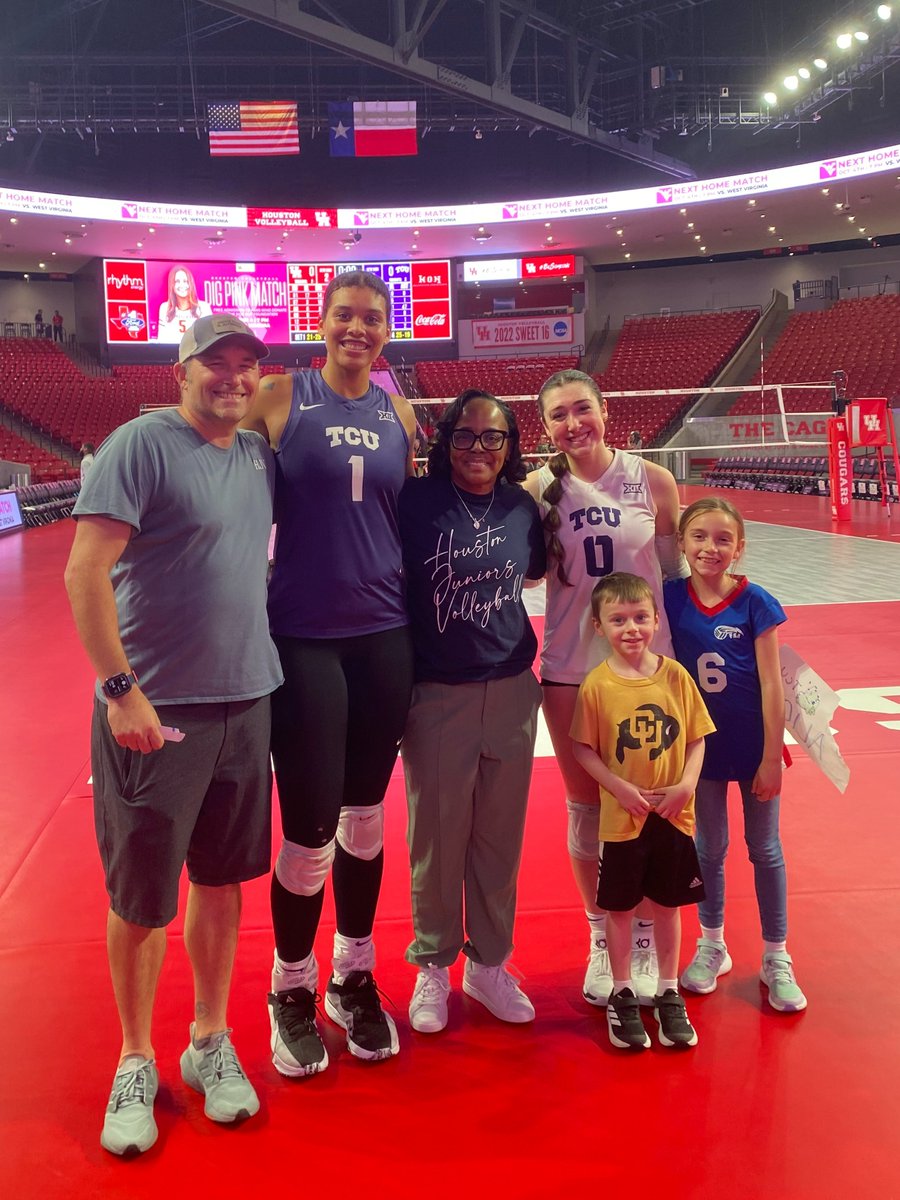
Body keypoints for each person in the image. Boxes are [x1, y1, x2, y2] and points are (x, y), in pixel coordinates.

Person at [64, 314, 283, 1156]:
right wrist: (120, 690)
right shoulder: (139, 445)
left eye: (246, 365)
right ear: (180, 372)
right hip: (156, 710)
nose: (232, 377)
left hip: (245, 699)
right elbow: (85, 570)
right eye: (214, 364)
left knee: (222, 884)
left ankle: (209, 1037)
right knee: (143, 896)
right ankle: (133, 1056)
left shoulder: (254, 453)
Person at [241, 269, 417, 1075]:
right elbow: (218, 473)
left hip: (384, 635)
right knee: (310, 831)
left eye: (371, 318)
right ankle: (291, 986)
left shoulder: (398, 410)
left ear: (387, 329)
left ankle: (353, 975)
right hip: (304, 637)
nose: (358, 328)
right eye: (344, 315)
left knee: (367, 818)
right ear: (322, 322)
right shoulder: (281, 397)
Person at [524, 369, 684, 1010]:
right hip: (571, 668)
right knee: (588, 809)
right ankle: (600, 934)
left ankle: (643, 935)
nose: (573, 423)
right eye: (558, 415)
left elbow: (675, 580)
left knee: (645, 805)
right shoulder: (540, 488)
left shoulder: (655, 481)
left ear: (605, 410)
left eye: (581, 409)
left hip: (649, 672)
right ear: (546, 427)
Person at [399, 389, 546, 1033]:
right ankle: (432, 965)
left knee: (498, 837)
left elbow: (535, 576)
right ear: (446, 440)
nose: (479, 449)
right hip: (437, 694)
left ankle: (488, 966)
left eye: (493, 437)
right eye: (465, 436)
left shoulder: (521, 508)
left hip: (513, 687)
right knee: (436, 835)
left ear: (510, 445)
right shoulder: (415, 502)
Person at [664, 497, 807, 1012]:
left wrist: (773, 755)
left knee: (764, 848)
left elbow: (772, 684)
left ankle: (776, 955)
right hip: (699, 748)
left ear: (739, 547)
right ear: (681, 543)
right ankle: (712, 942)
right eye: (699, 536)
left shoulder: (756, 602)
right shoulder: (668, 597)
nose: (710, 547)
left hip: (752, 746)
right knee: (709, 847)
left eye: (723, 538)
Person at [571, 573, 714, 1049]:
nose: (630, 628)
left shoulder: (675, 675)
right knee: (619, 907)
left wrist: (687, 785)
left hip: (674, 815)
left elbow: (696, 737)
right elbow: (584, 749)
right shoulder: (596, 686)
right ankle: (622, 990)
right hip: (623, 819)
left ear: (656, 620)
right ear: (599, 627)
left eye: (639, 617)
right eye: (618, 620)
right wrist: (617, 787)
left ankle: (669, 990)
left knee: (669, 905)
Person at [156, 266, 213, 344]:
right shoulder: (165, 308)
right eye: (177, 281)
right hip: (172, 354)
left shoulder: (204, 308)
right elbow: (162, 341)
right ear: (172, 285)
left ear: (191, 283)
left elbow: (209, 340)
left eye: (185, 281)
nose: (182, 285)